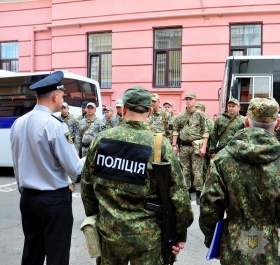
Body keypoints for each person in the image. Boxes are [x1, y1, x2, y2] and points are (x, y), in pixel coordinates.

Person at [80, 86, 193, 264]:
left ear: (123, 109)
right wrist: (178, 233)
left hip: (108, 232)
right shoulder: (159, 144)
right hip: (148, 237)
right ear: (149, 112)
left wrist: (97, 216)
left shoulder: (101, 140)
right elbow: (179, 195)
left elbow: (86, 187)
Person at [199, 97, 280, 264]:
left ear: (246, 122)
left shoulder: (222, 159)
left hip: (236, 247)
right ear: (277, 124)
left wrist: (213, 241)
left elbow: (209, 206)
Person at [10, 71, 85, 265]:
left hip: (27, 197)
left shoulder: (19, 122)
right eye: (62, 95)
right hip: (53, 200)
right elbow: (74, 168)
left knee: (32, 252)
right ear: (54, 96)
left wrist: (23, 189)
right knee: (57, 255)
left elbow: (17, 163)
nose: (62, 99)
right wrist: (88, 158)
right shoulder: (55, 125)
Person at [172, 92, 209, 205]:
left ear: (195, 100)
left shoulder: (200, 115)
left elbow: (205, 131)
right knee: (185, 170)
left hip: (196, 147)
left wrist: (204, 147)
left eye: (190, 99)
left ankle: (198, 193)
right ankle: (187, 192)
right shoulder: (181, 115)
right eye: (186, 99)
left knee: (197, 170)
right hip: (184, 147)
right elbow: (175, 130)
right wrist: (174, 145)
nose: (188, 101)